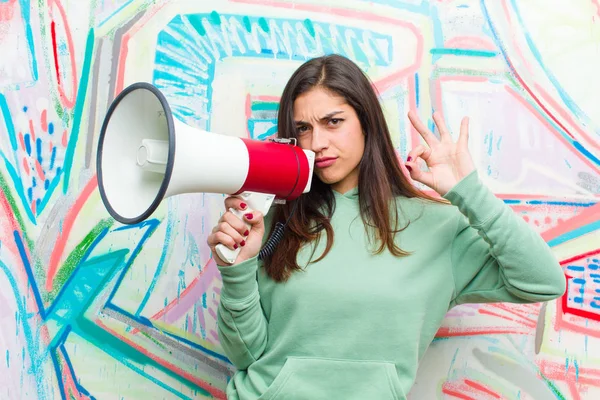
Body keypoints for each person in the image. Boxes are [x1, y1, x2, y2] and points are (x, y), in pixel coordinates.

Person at [207, 54, 566, 400]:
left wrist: (468, 191)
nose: (317, 143)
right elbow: (247, 356)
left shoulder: (438, 226)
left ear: (367, 122)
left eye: (333, 122)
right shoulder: (273, 222)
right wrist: (236, 269)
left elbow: (543, 281)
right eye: (303, 128)